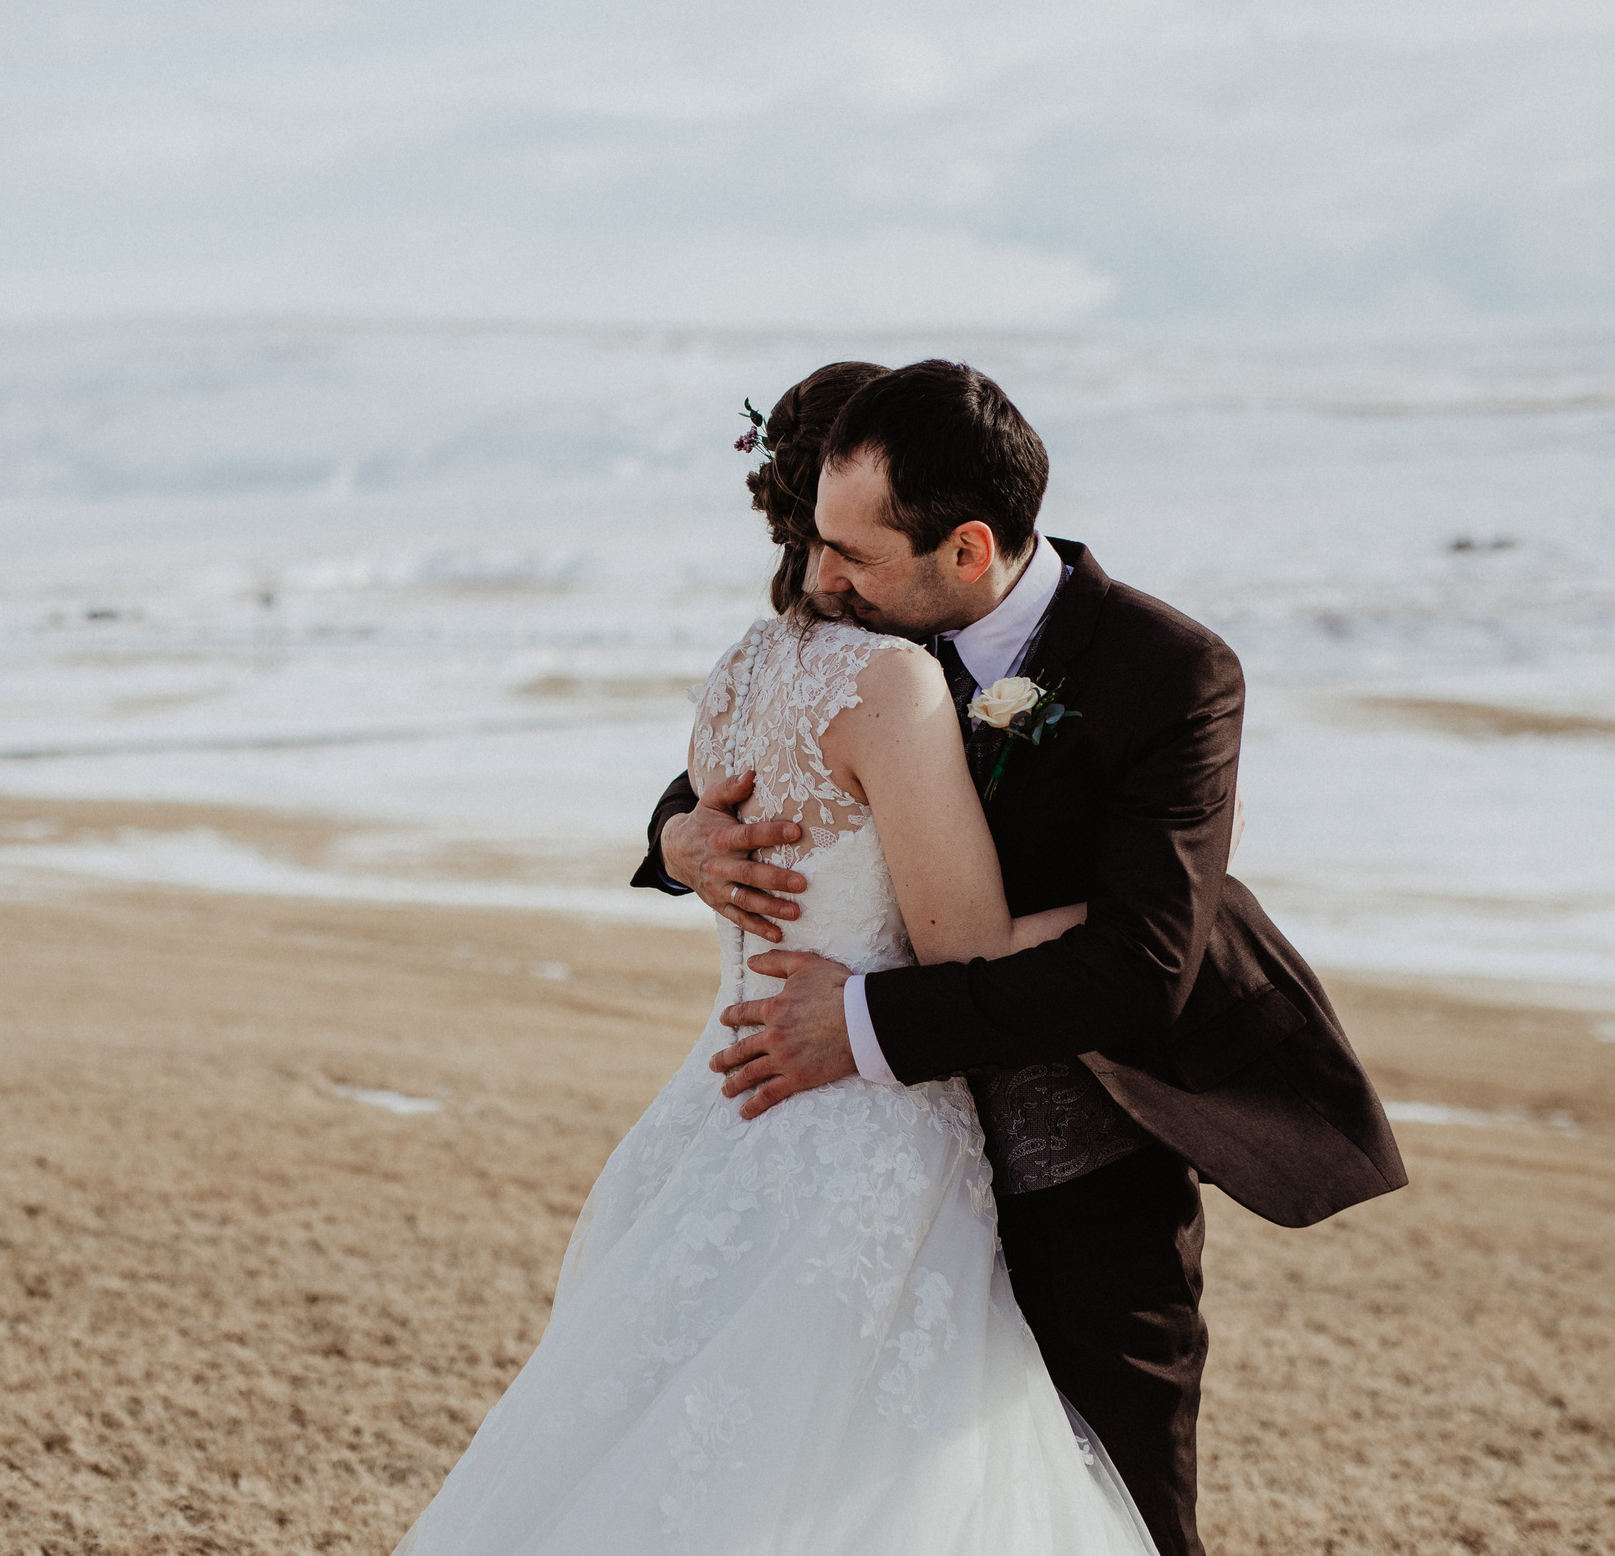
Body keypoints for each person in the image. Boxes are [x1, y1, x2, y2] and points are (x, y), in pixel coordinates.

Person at [641, 360, 1408, 1556]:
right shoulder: (866, 633)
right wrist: (679, 838)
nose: (820, 578)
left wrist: (860, 1025)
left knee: (1118, 1516)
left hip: (1081, 1162)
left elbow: (1138, 965)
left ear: (966, 549)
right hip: (875, 1176)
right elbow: (758, 766)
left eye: (850, 553)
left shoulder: (1168, 671)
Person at [393, 362, 1160, 1555]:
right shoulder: (892, 679)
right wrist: (1126, 919)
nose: (837, 563)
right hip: (861, 1135)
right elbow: (962, 947)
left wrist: (682, 835)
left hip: (726, 1115)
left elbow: (743, 803)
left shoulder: (738, 671)